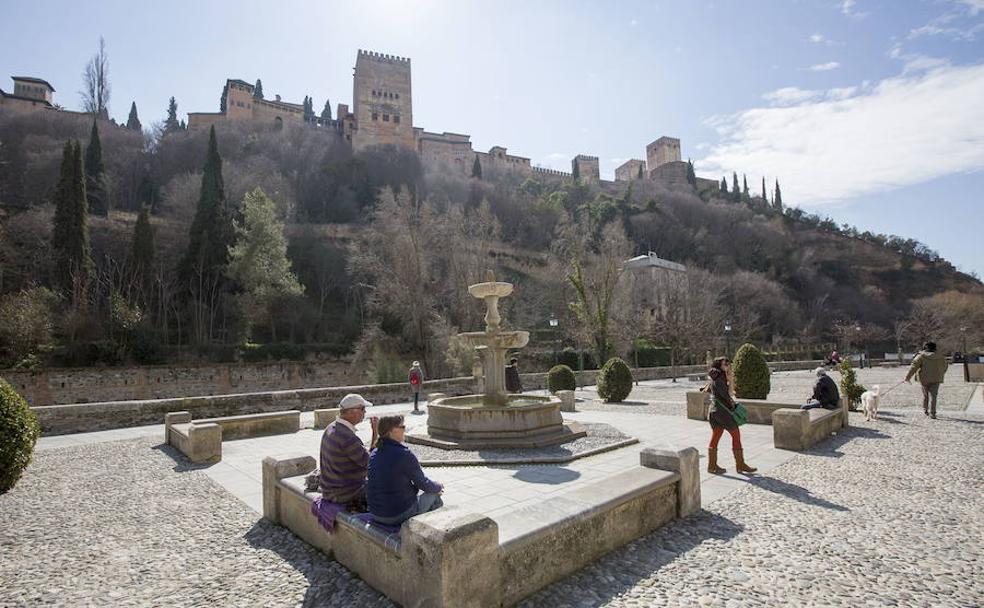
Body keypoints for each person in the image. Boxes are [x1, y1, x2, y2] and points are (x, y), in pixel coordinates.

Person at [367, 415, 444, 526]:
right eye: (402, 427)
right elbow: (423, 483)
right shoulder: (403, 454)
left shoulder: (375, 452)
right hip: (395, 515)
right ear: (391, 431)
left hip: (376, 513)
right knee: (434, 496)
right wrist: (438, 486)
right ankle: (432, 536)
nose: (405, 429)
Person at [319, 393, 378, 510]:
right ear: (352, 411)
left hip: (330, 489)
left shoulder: (331, 427)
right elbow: (372, 463)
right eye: (362, 409)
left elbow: (364, 458)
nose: (365, 413)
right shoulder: (347, 437)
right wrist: (376, 433)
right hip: (343, 493)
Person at [705, 357, 756, 475]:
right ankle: (740, 464)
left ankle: (712, 466)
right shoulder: (720, 378)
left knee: (716, 436)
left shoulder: (715, 377)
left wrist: (730, 379)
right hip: (723, 413)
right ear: (719, 365)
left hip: (714, 412)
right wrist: (733, 406)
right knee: (736, 435)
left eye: (728, 363)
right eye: (725, 364)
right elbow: (729, 395)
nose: (727, 366)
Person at [904, 341, 949, 419]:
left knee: (926, 395)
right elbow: (945, 366)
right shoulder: (941, 356)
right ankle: (933, 413)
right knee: (934, 396)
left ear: (925, 347)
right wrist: (941, 373)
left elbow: (914, 367)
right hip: (936, 378)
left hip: (924, 378)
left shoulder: (921, 356)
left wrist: (908, 377)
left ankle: (925, 410)